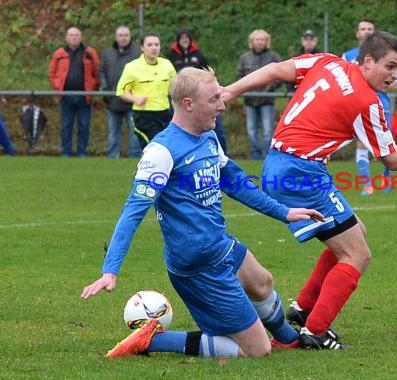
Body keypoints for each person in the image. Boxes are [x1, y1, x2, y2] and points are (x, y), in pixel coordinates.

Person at [223, 32, 397, 349]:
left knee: (356, 230)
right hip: (302, 172)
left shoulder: (328, 62)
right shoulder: (367, 102)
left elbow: (277, 70)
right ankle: (316, 333)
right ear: (368, 61)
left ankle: (303, 308)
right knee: (358, 254)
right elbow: (392, 159)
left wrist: (231, 90)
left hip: (279, 162)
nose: (395, 75)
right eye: (390, 66)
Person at [81, 67, 324, 359]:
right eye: (214, 99)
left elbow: (235, 183)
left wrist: (284, 212)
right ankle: (153, 341)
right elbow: (134, 210)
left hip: (218, 244)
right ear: (188, 104)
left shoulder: (208, 138)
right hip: (197, 264)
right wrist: (111, 269)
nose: (222, 105)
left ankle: (289, 338)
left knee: (263, 282)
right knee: (256, 350)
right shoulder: (161, 152)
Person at [342, 18, 394, 195]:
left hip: (381, 105)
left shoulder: (386, 55)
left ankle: (387, 180)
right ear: (357, 34)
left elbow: (395, 82)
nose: (366, 31)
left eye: (369, 28)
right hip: (357, 105)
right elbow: (343, 80)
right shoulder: (348, 56)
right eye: (362, 29)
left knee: (386, 144)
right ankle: (367, 185)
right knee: (362, 143)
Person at [166, 28, 228, 154]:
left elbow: (207, 71)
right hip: (182, 97)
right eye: (182, 38)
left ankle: (221, 153)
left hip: (200, 95)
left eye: (187, 38)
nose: (185, 40)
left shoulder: (197, 54)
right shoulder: (171, 55)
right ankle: (184, 152)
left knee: (217, 131)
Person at [116, 32, 176, 151]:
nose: (154, 48)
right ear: (142, 48)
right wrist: (135, 99)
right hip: (144, 116)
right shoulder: (132, 67)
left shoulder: (167, 64)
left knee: (168, 150)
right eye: (149, 45)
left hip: (165, 114)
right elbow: (121, 91)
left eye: (156, 44)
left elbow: (175, 88)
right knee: (155, 149)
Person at [48, 27, 100, 157]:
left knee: (84, 126)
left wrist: (93, 88)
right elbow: (52, 73)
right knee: (66, 126)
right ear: (66, 37)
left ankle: (82, 152)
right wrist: (57, 87)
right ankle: (66, 152)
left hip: (84, 96)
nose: (74, 37)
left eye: (77, 35)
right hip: (66, 96)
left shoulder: (89, 52)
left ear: (81, 37)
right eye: (71, 35)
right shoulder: (59, 54)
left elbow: (97, 72)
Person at [236, 29, 281, 160]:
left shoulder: (274, 57)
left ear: (267, 41)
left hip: (267, 100)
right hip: (250, 101)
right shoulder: (244, 58)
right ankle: (255, 157)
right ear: (252, 41)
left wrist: (269, 88)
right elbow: (239, 76)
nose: (260, 42)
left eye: (263, 39)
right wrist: (246, 89)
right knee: (251, 131)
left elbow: (280, 76)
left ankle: (268, 157)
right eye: (257, 39)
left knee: (267, 131)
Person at [99, 26, 141, 159]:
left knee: (134, 131)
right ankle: (113, 155)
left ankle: (134, 156)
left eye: (126, 35)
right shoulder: (108, 53)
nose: (123, 38)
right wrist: (105, 89)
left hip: (132, 100)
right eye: (121, 35)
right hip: (112, 100)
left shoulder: (137, 53)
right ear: (116, 37)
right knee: (113, 131)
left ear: (130, 36)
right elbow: (101, 72)